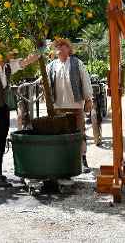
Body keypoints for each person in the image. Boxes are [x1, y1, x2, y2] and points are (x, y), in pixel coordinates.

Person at [0, 50, 39, 187]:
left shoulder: (8, 67)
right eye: (6, 53)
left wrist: (40, 51)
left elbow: (26, 61)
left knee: (0, 139)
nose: (9, 56)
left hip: (3, 108)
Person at [46, 39, 93, 172]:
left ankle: (82, 160)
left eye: (63, 46)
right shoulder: (51, 66)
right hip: (58, 105)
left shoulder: (77, 63)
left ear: (69, 49)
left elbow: (85, 80)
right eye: (58, 46)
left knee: (79, 132)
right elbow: (45, 83)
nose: (60, 48)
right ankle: (63, 161)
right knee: (61, 134)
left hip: (76, 104)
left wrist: (88, 99)